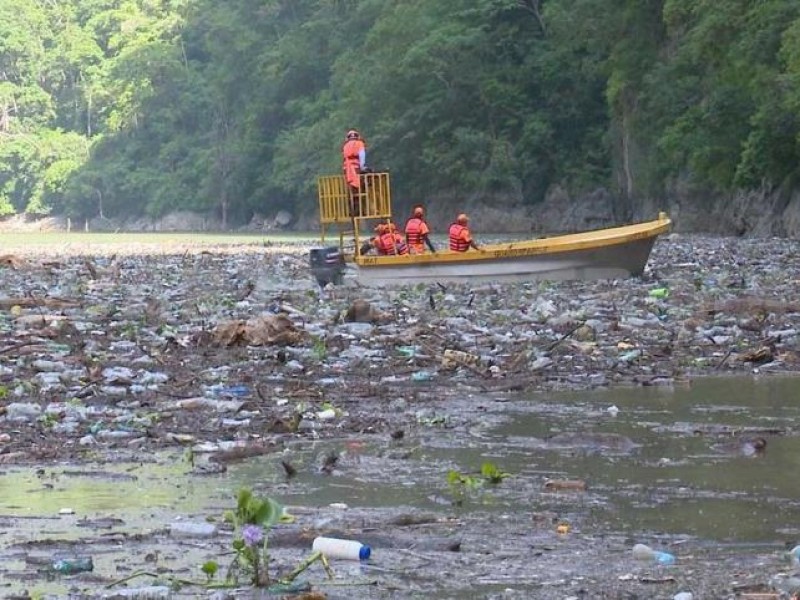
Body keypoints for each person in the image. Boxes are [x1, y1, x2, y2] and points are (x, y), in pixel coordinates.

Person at [342, 129, 367, 216]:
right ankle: (359, 210)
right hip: (355, 168)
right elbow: (362, 156)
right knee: (361, 189)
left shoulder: (345, 146)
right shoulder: (359, 144)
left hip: (346, 169)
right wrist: (363, 167)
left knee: (350, 191)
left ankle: (351, 211)